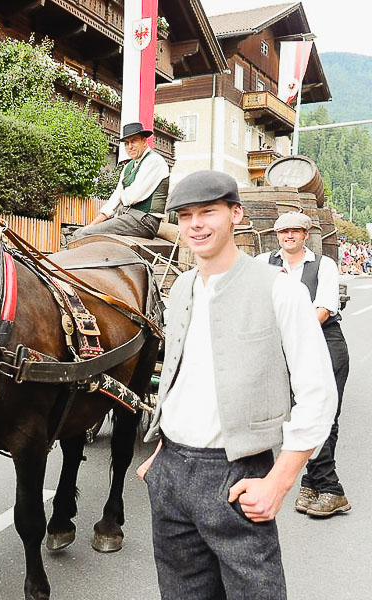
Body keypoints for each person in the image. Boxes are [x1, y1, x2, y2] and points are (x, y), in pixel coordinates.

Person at [137, 170, 337, 599]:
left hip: (237, 472)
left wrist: (279, 482)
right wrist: (160, 453)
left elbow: (319, 394)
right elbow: (179, 375)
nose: (196, 224)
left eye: (208, 212)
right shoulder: (182, 289)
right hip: (170, 473)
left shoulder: (280, 291)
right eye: (186, 215)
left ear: (236, 215)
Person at [257, 211, 351, 517]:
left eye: (295, 231)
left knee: (324, 415)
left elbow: (322, 309)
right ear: (277, 235)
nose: (289, 236)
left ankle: (331, 489)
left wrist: (287, 331)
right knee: (300, 414)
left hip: (325, 342)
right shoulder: (263, 263)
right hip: (285, 346)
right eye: (284, 231)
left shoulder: (323, 265)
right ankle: (313, 485)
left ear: (306, 234)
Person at [71, 121, 170, 241]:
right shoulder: (129, 166)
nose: (130, 146)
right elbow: (114, 199)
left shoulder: (154, 161)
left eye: (134, 141)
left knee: (86, 235)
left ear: (144, 142)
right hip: (128, 217)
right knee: (80, 232)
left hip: (145, 221)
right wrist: (91, 225)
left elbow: (132, 197)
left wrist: (121, 193)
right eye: (126, 143)